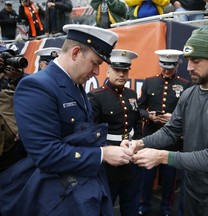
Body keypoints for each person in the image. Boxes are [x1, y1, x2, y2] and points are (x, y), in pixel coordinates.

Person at [122, 26, 208, 216]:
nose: (189, 67)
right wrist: (141, 143)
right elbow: (170, 131)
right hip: (192, 189)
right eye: (187, 61)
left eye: (196, 61)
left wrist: (162, 156)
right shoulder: (189, 94)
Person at [7, 24, 134, 216]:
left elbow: (81, 137)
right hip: (54, 196)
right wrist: (103, 154)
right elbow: (46, 154)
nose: (97, 72)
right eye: (95, 63)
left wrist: (113, 149)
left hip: (80, 187)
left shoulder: (75, 84)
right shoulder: (37, 86)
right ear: (75, 53)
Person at [87, 49, 142, 216]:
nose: (121, 74)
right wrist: (106, 151)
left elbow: (137, 122)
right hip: (109, 162)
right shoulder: (96, 96)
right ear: (108, 70)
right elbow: (91, 131)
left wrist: (138, 143)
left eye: (125, 71)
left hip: (132, 158)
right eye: (117, 70)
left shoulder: (131, 94)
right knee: (107, 206)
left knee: (131, 204)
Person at [137, 49, 191, 216]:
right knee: (146, 176)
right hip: (152, 136)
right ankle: (143, 206)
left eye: (170, 67)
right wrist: (149, 116)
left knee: (169, 179)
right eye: (164, 66)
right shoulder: (149, 82)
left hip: (172, 141)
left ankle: (166, 208)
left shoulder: (185, 85)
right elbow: (139, 107)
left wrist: (173, 118)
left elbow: (189, 113)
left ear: (177, 65)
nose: (166, 70)